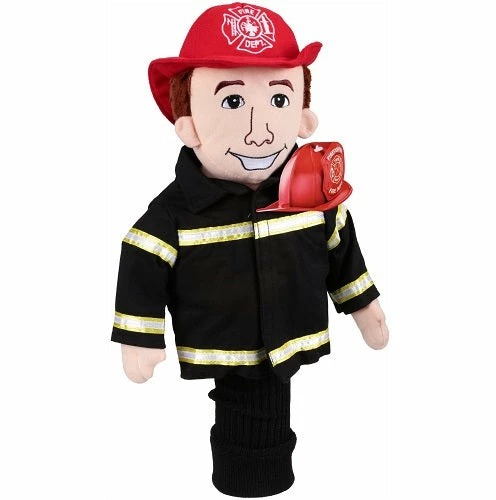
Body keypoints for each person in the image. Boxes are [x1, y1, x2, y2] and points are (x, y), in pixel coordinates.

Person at [112, 3, 388, 497]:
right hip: (224, 342)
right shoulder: (175, 214)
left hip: (290, 333)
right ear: (189, 124)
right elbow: (141, 260)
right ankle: (245, 476)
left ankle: (263, 475)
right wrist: (141, 338)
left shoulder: (311, 197)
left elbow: (340, 247)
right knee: (244, 416)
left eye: (279, 100)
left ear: (303, 116)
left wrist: (364, 305)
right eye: (233, 102)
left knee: (272, 411)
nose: (260, 131)